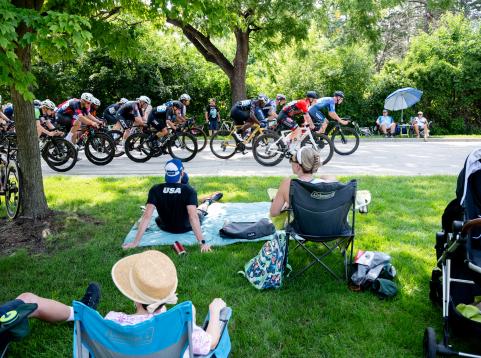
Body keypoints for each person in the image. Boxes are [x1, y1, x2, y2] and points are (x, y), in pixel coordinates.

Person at [13, 250, 227, 355]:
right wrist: (214, 310)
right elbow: (211, 342)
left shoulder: (111, 322)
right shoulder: (181, 325)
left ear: (133, 296)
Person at [123, 159, 223, 252]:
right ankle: (207, 201)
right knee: (199, 211)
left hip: (164, 226)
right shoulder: (189, 190)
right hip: (186, 227)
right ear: (182, 173)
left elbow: (146, 216)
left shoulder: (155, 189)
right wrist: (202, 243)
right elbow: (193, 217)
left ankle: (204, 201)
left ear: (166, 173)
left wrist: (135, 242)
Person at [270, 147, 336, 217]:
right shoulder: (330, 185)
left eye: (291, 160)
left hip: (301, 227)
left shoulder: (288, 185)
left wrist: (286, 201)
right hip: (328, 226)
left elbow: (274, 213)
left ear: (298, 166)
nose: (291, 162)